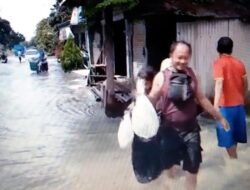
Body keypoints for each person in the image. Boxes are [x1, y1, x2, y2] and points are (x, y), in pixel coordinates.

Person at [148, 41, 229, 190]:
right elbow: (152, 99)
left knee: (192, 170)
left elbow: (202, 99)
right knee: (169, 171)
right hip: (168, 131)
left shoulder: (193, 75)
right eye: (179, 57)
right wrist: (137, 110)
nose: (183, 61)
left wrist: (220, 117)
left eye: (186, 57)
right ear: (171, 55)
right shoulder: (161, 77)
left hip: (191, 131)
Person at [213, 37, 248, 159]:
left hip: (225, 108)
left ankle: (234, 163)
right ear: (231, 49)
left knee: (228, 139)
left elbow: (219, 83)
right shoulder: (240, 63)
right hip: (239, 106)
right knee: (234, 137)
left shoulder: (218, 63)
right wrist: (241, 98)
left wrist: (215, 106)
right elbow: (246, 84)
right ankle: (234, 163)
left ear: (218, 49)